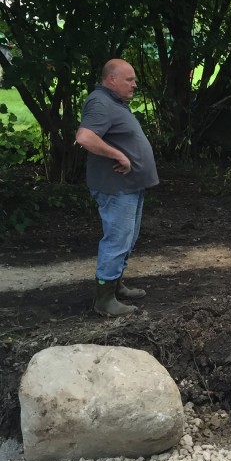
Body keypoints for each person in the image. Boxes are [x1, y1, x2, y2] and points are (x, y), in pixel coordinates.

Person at [76, 59, 159, 317]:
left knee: (127, 238)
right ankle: (104, 300)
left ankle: (116, 285)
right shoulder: (100, 102)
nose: (134, 84)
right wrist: (119, 155)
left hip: (130, 186)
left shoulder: (114, 103)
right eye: (129, 79)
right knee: (117, 239)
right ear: (111, 79)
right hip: (116, 188)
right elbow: (85, 137)